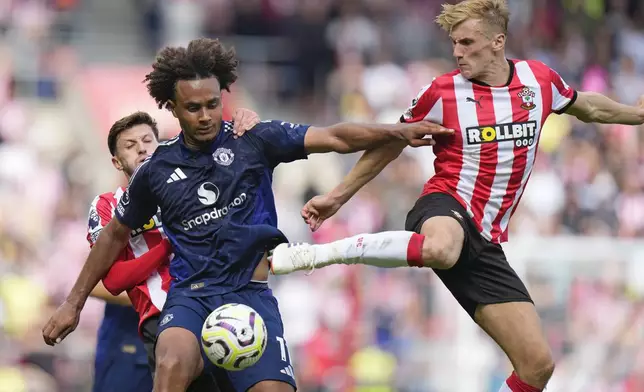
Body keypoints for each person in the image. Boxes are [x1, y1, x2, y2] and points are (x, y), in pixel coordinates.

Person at [268, 1, 644, 392]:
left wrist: (636, 115)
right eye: (454, 43)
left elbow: (587, 107)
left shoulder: (539, 81)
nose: (457, 52)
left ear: (497, 42)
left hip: (486, 240)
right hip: (445, 205)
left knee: (537, 366)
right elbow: (390, 144)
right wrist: (337, 197)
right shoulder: (443, 91)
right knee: (443, 247)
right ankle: (318, 255)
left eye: (467, 42)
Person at [41, 37, 451, 392]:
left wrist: (397, 131)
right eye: (193, 107)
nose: (205, 116)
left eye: (212, 104)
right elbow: (114, 235)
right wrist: (73, 305)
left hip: (250, 294)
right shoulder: (157, 170)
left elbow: (335, 136)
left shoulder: (253, 138)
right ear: (172, 107)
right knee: (171, 364)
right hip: (191, 297)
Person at [87, 109, 259, 392]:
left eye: (149, 142)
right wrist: (159, 293)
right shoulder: (110, 207)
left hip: (207, 320)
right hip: (130, 336)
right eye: (131, 146)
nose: (142, 150)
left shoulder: (195, 196)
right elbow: (101, 281)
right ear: (117, 162)